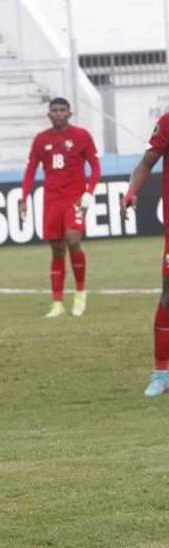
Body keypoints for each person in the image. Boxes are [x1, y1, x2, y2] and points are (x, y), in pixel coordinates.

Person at [19, 98, 100, 318]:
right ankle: (57, 303)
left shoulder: (82, 136)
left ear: (69, 114)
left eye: (62, 110)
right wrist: (23, 197)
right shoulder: (41, 140)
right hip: (51, 201)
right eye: (54, 110)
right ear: (49, 115)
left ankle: (80, 294)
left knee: (73, 240)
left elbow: (95, 167)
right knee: (57, 249)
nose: (58, 114)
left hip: (73, 199)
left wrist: (88, 193)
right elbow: (30, 170)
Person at [122, 113, 169, 396]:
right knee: (168, 297)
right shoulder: (166, 122)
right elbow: (146, 162)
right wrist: (131, 191)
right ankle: (161, 373)